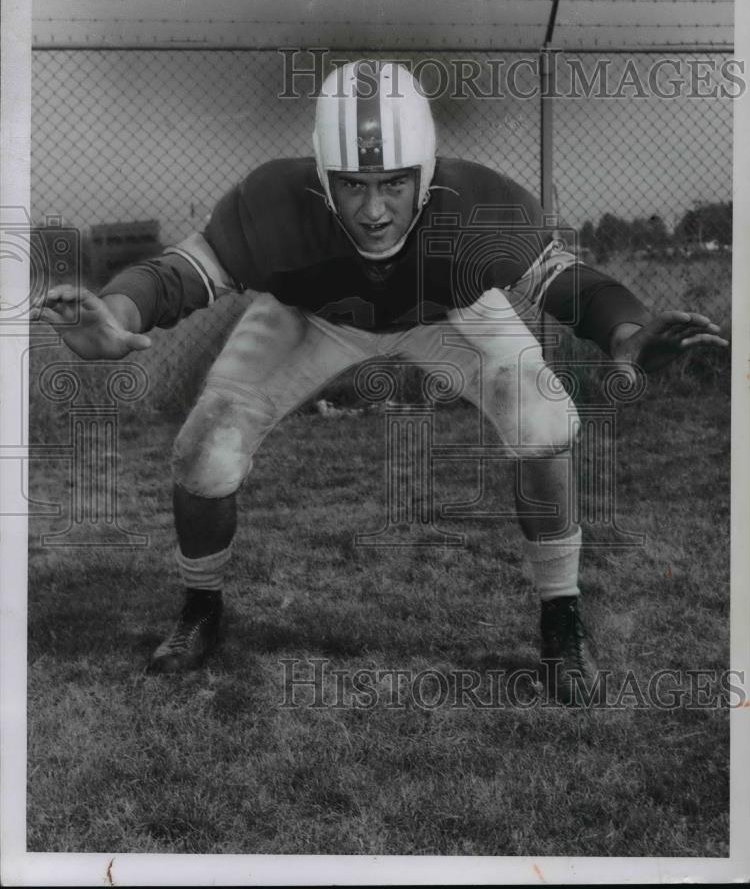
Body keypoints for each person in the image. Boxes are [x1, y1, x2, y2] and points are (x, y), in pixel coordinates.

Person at [33, 60, 727, 705]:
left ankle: (562, 618)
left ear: (426, 174)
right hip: (315, 314)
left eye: (393, 182)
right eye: (352, 184)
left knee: (542, 418)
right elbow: (180, 274)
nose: (372, 210)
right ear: (320, 175)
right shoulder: (276, 199)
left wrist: (629, 331)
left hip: (447, 310)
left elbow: (570, 283)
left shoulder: (477, 202)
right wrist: (118, 311)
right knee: (204, 448)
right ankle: (200, 607)